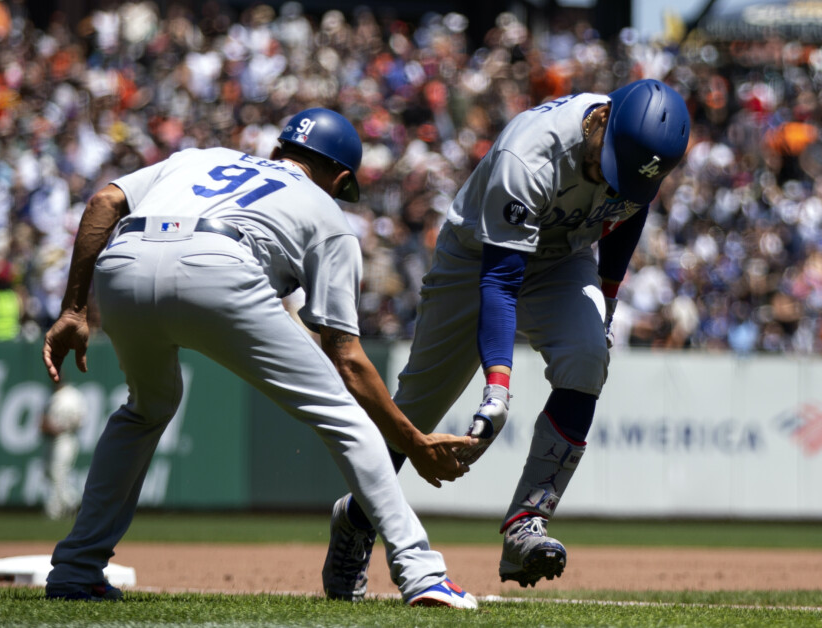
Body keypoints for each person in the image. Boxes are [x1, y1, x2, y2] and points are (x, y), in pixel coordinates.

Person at [41, 107, 479, 608]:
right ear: (339, 177)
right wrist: (412, 440)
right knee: (343, 416)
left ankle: (76, 570)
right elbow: (349, 360)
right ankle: (421, 573)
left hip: (124, 263)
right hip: (218, 264)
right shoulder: (329, 213)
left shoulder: (200, 158)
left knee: (146, 408)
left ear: (277, 152)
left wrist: (74, 307)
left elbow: (103, 201)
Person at [322, 79, 691, 598]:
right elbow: (500, 280)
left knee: (588, 357)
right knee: (419, 409)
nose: (608, 181)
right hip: (478, 255)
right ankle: (357, 520)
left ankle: (527, 522)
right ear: (602, 119)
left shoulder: (637, 160)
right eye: (609, 166)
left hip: (564, 257)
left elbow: (628, 216)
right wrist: (497, 388)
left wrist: (605, 302)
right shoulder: (532, 151)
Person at [40, 381, 87, 520]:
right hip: (54, 440)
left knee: (57, 473)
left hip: (66, 438)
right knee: (51, 474)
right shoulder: (56, 396)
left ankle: (72, 504)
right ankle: (62, 507)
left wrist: (60, 427)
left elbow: (79, 420)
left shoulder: (70, 396)